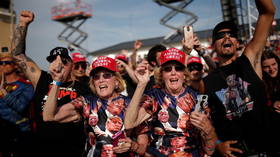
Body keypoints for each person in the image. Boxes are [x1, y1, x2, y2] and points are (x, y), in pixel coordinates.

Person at [11, 10, 91, 157]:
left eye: (64, 61)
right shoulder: (42, 79)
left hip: (71, 151)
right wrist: (23, 23)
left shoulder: (83, 88)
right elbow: (17, 55)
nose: (58, 64)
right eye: (53, 59)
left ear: (72, 65)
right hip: (41, 149)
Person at [203, 0, 275, 156]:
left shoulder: (250, 60)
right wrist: (217, 144)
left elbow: (267, 12)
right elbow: (203, 121)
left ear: (237, 42)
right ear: (214, 45)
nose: (227, 38)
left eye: (232, 35)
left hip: (266, 149)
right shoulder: (207, 82)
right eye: (221, 36)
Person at [43, 56, 149, 157]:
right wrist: (57, 81)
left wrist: (133, 146)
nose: (101, 79)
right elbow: (49, 116)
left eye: (106, 75)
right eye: (96, 77)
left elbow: (142, 148)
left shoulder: (132, 104)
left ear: (116, 81)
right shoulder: (85, 102)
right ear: (93, 83)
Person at [125, 48, 217, 157]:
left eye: (178, 68)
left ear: (184, 73)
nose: (173, 73)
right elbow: (129, 123)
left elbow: (210, 149)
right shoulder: (153, 97)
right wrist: (141, 84)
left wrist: (209, 131)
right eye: (168, 69)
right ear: (162, 74)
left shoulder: (199, 100)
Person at [0, 52, 34, 157]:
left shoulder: (26, 86)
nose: (3, 65)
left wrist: (3, 92)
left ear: (15, 65)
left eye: (7, 63)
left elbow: (21, 107)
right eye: (1, 63)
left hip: (20, 133)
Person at [261, 49, 280, 156]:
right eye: (266, 67)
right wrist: (271, 106)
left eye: (274, 64)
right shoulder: (261, 85)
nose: (271, 69)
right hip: (272, 136)